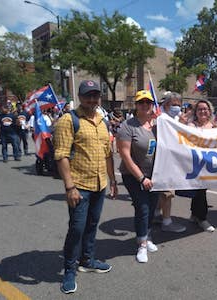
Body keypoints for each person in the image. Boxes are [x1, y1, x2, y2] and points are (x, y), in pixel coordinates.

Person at [54, 80, 118, 294]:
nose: (92, 99)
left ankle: (87, 260)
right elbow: (61, 155)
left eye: (95, 95)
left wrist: (113, 181)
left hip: (100, 183)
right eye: (87, 95)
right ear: (80, 97)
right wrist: (69, 187)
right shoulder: (68, 120)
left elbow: (108, 154)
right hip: (79, 185)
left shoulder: (102, 121)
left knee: (92, 224)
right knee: (77, 228)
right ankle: (69, 269)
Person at [117, 90, 160, 263]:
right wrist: (142, 178)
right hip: (133, 175)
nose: (145, 105)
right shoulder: (128, 126)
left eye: (148, 102)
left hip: (155, 175)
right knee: (142, 208)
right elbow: (125, 155)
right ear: (136, 105)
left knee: (151, 207)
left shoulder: (157, 125)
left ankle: (147, 235)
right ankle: (141, 243)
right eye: (141, 102)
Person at [154, 92, 186, 233]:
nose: (176, 107)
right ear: (165, 104)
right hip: (164, 160)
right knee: (167, 193)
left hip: (174, 160)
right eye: (173, 104)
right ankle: (166, 222)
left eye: (179, 105)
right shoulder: (161, 119)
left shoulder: (177, 119)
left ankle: (155, 214)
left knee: (162, 191)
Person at [187, 100, 217, 232]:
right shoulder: (191, 125)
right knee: (200, 190)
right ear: (196, 112)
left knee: (200, 189)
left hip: (209, 164)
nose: (203, 111)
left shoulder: (214, 127)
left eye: (205, 109)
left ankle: (194, 214)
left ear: (209, 111)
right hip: (195, 163)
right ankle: (202, 218)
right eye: (200, 109)